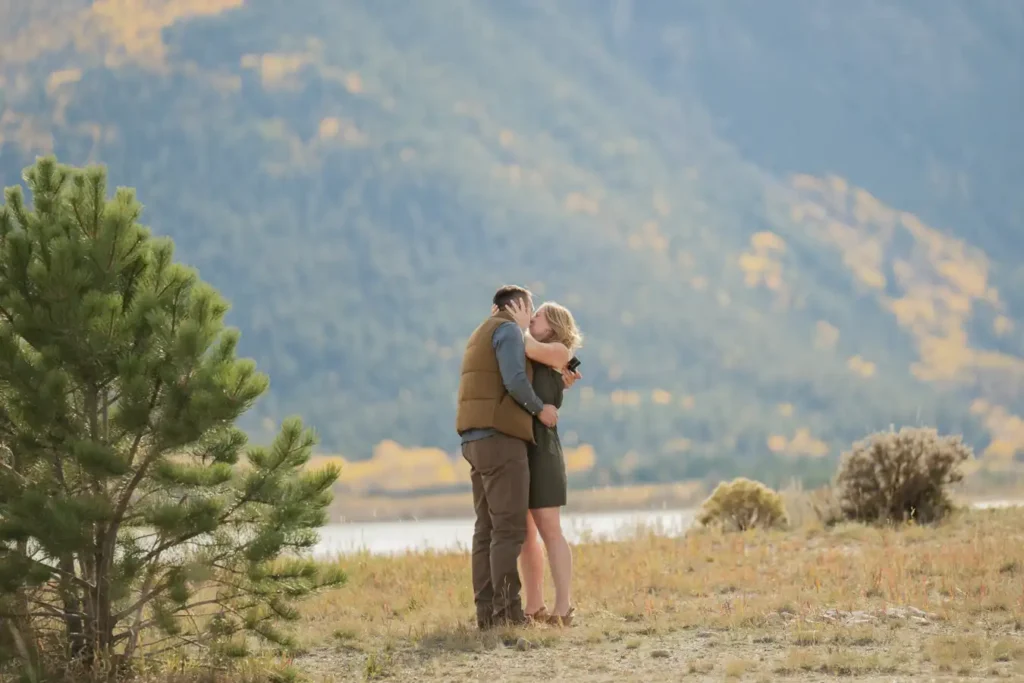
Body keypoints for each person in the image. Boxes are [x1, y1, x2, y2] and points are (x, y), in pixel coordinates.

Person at [455, 285, 559, 630]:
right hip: (501, 439)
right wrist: (539, 411)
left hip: (473, 439)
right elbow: (514, 380)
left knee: (485, 530)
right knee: (508, 530)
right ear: (518, 305)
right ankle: (509, 615)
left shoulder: (479, 333)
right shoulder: (508, 330)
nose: (531, 315)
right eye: (530, 307)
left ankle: (487, 615)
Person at [498, 298, 583, 627]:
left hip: (544, 449)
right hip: (522, 445)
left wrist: (516, 323)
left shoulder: (558, 351)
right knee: (526, 534)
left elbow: (529, 345)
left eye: (537, 316)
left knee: (550, 530)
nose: (530, 319)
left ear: (554, 326)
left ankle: (564, 607)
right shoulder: (541, 357)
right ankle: (535, 606)